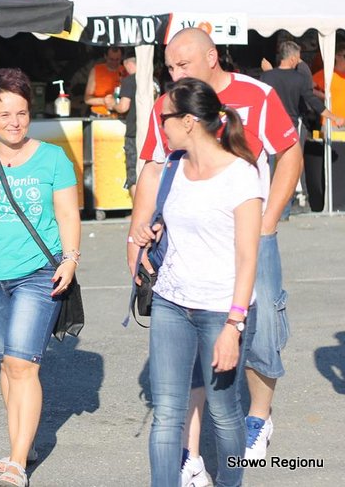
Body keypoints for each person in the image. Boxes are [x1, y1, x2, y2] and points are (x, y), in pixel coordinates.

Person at [128, 28, 302, 483]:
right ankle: (189, 455)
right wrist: (136, 233)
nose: (174, 74)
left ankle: (258, 417)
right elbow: (153, 167)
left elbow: (290, 154)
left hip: (247, 235)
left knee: (260, 337)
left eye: (182, 65)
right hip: (188, 249)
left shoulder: (256, 96)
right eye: (169, 67)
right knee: (180, 381)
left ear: (211, 57)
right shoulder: (171, 106)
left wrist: (266, 221)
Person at [0, 68, 81, 487]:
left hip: (38, 273)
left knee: (23, 365)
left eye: (21, 112)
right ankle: (21, 442)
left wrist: (70, 259)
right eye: (4, 114)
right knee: (7, 365)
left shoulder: (53, 158)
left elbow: (67, 214)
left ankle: (18, 462)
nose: (14, 122)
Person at [147, 77, 263, 487]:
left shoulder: (241, 175)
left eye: (164, 118)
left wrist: (234, 325)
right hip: (170, 302)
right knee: (166, 414)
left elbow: (248, 257)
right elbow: (178, 221)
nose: (160, 125)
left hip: (221, 310)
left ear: (188, 121)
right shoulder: (173, 167)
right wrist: (153, 232)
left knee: (224, 412)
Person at [261, 41, 345, 217]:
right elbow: (313, 102)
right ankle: (283, 210)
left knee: (270, 168)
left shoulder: (267, 77)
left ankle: (268, 207)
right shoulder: (298, 79)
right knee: (290, 169)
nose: (299, 61)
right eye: (298, 58)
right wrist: (334, 117)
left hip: (269, 127)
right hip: (290, 128)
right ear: (292, 58)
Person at [105, 49, 139, 199]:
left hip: (133, 132)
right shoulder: (153, 80)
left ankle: (138, 209)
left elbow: (124, 107)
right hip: (152, 131)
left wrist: (113, 104)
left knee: (133, 171)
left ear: (128, 64)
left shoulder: (129, 80)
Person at [83, 46, 125, 117]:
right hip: (99, 115)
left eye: (117, 59)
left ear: (121, 58)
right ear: (105, 56)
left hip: (119, 116)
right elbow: (87, 99)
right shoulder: (96, 70)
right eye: (111, 59)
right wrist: (104, 101)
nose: (114, 62)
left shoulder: (125, 71)